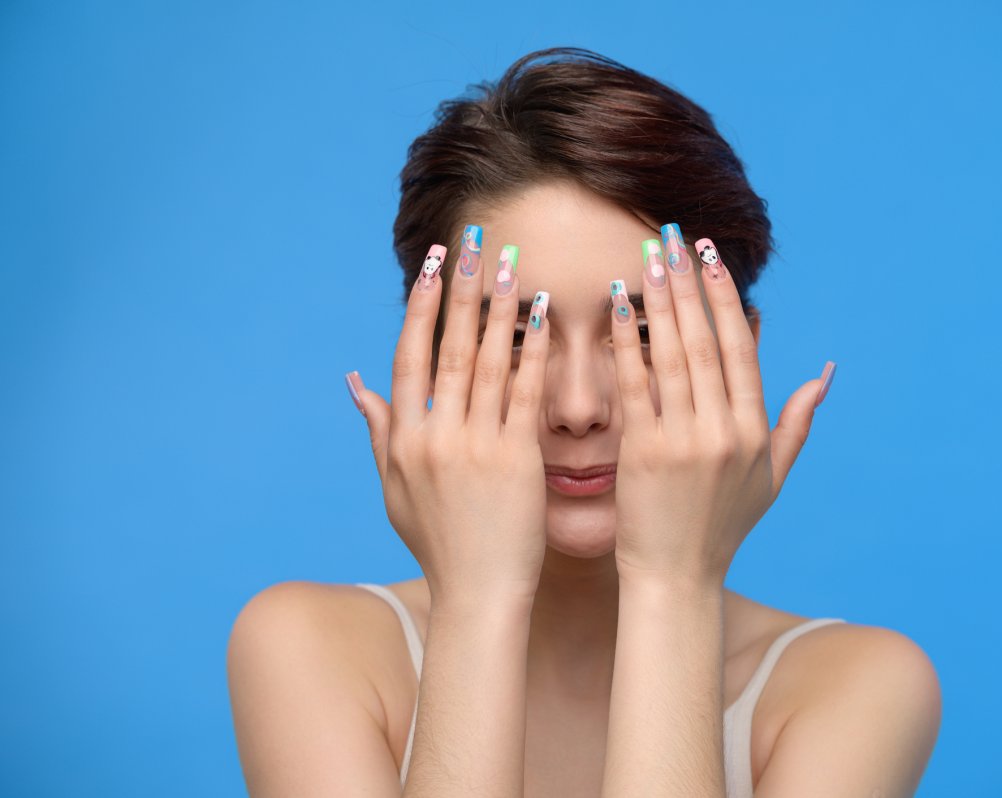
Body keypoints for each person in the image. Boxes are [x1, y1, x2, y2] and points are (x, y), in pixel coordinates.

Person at [227, 47, 941, 798]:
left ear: (737, 353)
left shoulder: (854, 688)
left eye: (642, 334)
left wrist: (673, 585)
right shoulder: (307, 648)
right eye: (514, 336)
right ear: (430, 352)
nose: (576, 409)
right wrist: (478, 600)